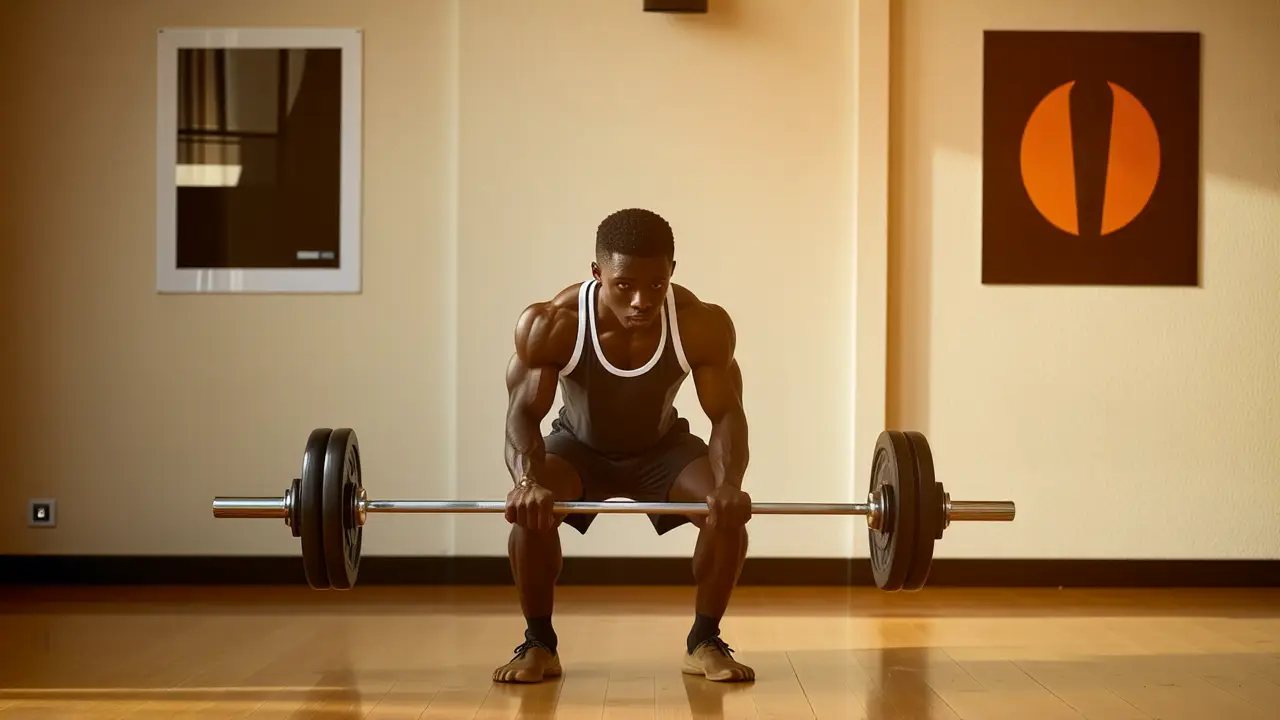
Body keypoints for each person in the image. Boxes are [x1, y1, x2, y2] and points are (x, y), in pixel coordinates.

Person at [496, 207, 754, 684]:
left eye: (656, 285)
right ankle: (538, 644)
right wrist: (527, 482)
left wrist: (730, 483)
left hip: (661, 450)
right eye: (624, 285)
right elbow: (523, 414)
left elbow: (727, 414)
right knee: (530, 513)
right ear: (597, 273)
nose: (641, 300)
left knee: (726, 514)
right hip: (578, 447)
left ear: (672, 273)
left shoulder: (701, 324)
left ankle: (704, 641)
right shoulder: (553, 323)